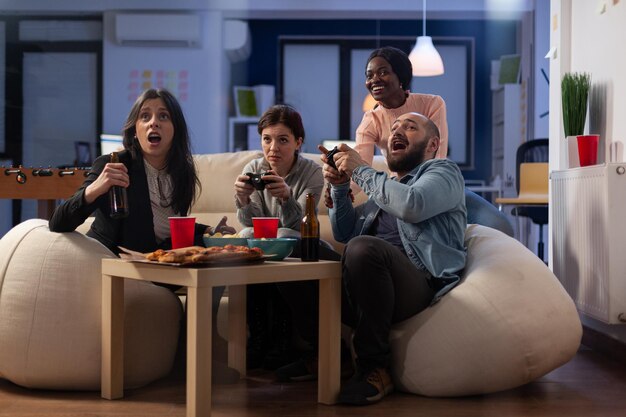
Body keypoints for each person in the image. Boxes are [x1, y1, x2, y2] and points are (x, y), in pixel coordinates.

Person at [49, 88, 238, 383]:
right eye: (145, 116)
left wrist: (208, 232)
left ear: (175, 129)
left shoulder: (182, 172)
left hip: (157, 260)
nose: (154, 123)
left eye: (163, 116)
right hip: (121, 262)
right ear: (134, 129)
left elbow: (170, 229)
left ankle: (198, 349)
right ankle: (192, 357)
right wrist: (96, 187)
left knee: (219, 258)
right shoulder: (113, 165)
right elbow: (58, 222)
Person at [277, 112, 467, 406]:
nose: (398, 131)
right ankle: (327, 355)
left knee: (364, 247)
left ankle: (375, 367)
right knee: (291, 244)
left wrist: (361, 171)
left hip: (415, 285)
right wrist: (341, 188)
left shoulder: (444, 172)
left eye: (410, 127)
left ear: (433, 144)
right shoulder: (385, 189)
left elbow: (413, 205)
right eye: (394, 128)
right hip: (366, 288)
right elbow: (345, 232)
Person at [351, 46, 513, 236]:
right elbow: (361, 165)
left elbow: (438, 154)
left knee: (500, 225)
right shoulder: (370, 121)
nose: (374, 80)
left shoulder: (431, 104)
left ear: (401, 77)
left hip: (437, 184)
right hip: (402, 191)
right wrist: (343, 189)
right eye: (369, 75)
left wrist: (431, 187)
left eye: (383, 72)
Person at [233, 104, 340, 370]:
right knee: (245, 235)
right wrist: (242, 198)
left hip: (297, 243)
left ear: (298, 142)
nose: (273, 148)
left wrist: (286, 197)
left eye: (283, 140)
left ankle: (282, 340)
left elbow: (301, 225)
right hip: (263, 248)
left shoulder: (312, 173)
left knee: (284, 233)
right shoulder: (254, 167)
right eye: (267, 139)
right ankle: (259, 338)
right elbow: (250, 224)